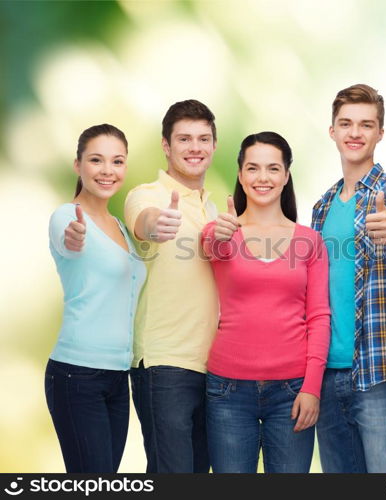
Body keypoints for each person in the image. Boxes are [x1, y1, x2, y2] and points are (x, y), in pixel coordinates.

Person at [201, 131, 330, 473]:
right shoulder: (221, 231)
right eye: (253, 168)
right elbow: (213, 247)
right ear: (241, 175)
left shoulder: (310, 241)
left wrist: (312, 387)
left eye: (273, 168)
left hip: (292, 392)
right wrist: (220, 234)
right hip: (228, 391)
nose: (263, 178)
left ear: (286, 176)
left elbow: (319, 317)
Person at [311, 84, 386, 473]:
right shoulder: (322, 206)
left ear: (380, 133)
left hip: (383, 372)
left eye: (366, 124)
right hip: (327, 375)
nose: (355, 133)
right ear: (332, 131)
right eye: (346, 124)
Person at [124, 100, 219, 473]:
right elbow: (144, 222)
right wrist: (156, 225)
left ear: (214, 146)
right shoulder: (147, 195)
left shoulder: (213, 211)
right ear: (166, 145)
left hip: (212, 367)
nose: (195, 147)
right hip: (164, 365)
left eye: (203, 138)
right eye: (184, 139)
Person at [45, 124, 146, 473]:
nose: (107, 170)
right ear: (78, 165)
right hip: (77, 375)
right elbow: (67, 240)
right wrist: (74, 238)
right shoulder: (66, 217)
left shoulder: (119, 226)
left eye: (117, 161)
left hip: (118, 377)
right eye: (96, 160)